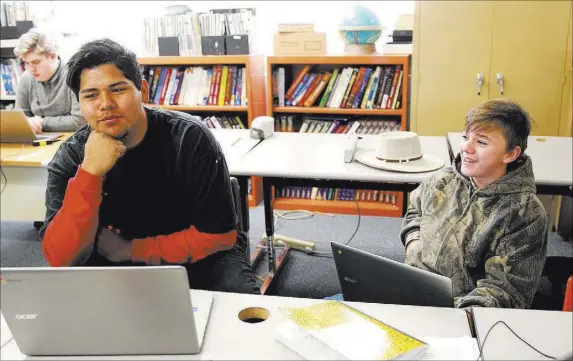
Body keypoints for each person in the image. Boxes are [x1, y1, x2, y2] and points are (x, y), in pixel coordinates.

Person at [39, 38, 259, 294]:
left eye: (118, 89)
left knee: (240, 314)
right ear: (80, 102)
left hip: (198, 257)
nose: (105, 103)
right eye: (91, 95)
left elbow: (219, 237)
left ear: (142, 89)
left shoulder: (188, 138)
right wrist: (89, 174)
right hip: (111, 262)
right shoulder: (71, 157)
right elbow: (60, 258)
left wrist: (130, 250)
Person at [400, 99, 548, 309]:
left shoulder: (524, 214)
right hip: (409, 291)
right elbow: (415, 209)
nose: (466, 148)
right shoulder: (442, 181)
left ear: (510, 154)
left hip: (459, 314)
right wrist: (414, 243)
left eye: (481, 142)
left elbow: (505, 291)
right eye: (465, 137)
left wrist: (451, 314)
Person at [14, 28, 86, 133]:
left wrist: (41, 123)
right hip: (38, 140)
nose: (30, 69)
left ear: (52, 56)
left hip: (71, 140)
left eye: (36, 62)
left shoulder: (74, 75)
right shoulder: (26, 78)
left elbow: (80, 120)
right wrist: (27, 122)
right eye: (26, 63)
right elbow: (19, 117)